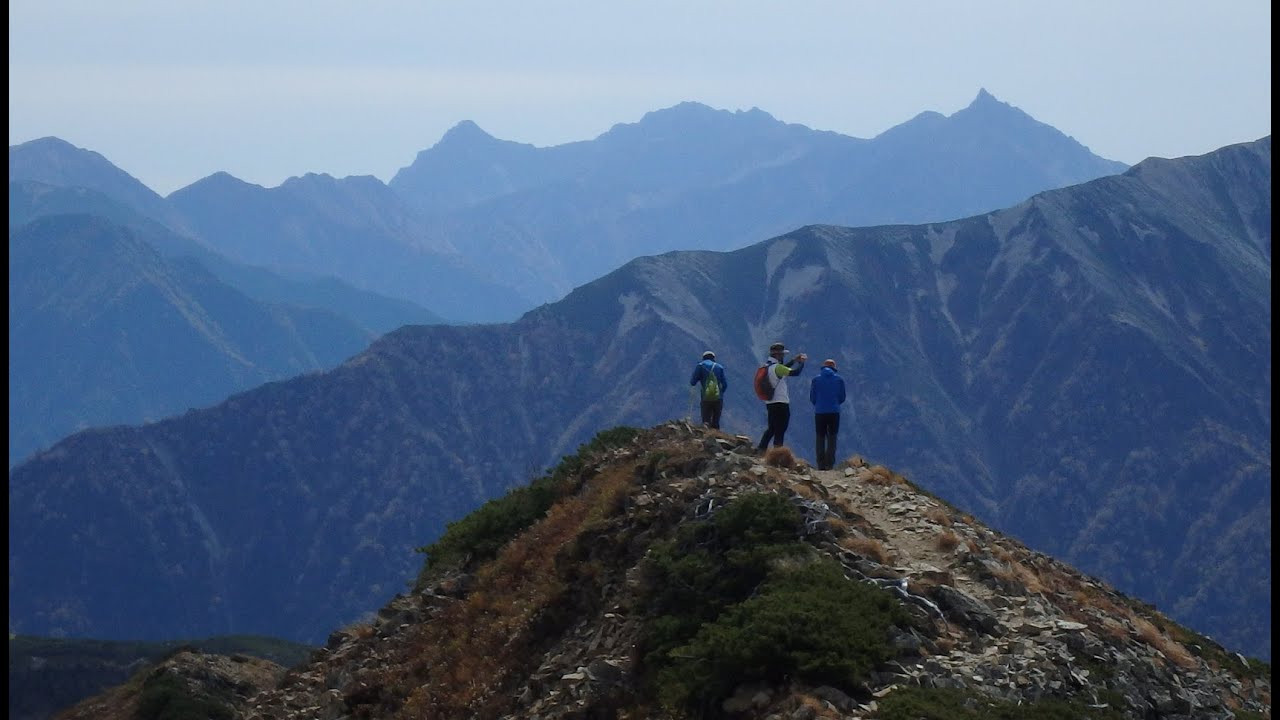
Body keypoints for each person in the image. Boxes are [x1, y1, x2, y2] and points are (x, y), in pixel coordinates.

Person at [757, 342, 807, 452]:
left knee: (772, 428)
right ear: (778, 355)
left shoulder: (768, 366)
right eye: (783, 354)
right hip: (781, 402)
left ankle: (761, 449)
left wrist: (794, 360)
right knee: (781, 428)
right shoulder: (778, 367)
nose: (783, 356)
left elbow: (783, 369)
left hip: (770, 402)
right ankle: (777, 451)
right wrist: (801, 363)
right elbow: (795, 372)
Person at [810, 358, 847, 470]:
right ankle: (829, 464)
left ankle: (820, 464)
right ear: (834, 368)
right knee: (832, 438)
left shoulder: (816, 380)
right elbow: (842, 397)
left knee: (820, 437)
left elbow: (812, 397)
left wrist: (819, 405)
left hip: (820, 412)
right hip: (834, 412)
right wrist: (835, 404)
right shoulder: (839, 380)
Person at [689, 350, 728, 429]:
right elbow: (725, 384)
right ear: (713, 358)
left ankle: (706, 437)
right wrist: (720, 393)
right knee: (716, 422)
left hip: (705, 397)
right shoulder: (719, 367)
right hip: (718, 398)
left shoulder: (700, 366)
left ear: (703, 358)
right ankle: (716, 437)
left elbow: (693, 382)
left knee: (706, 421)